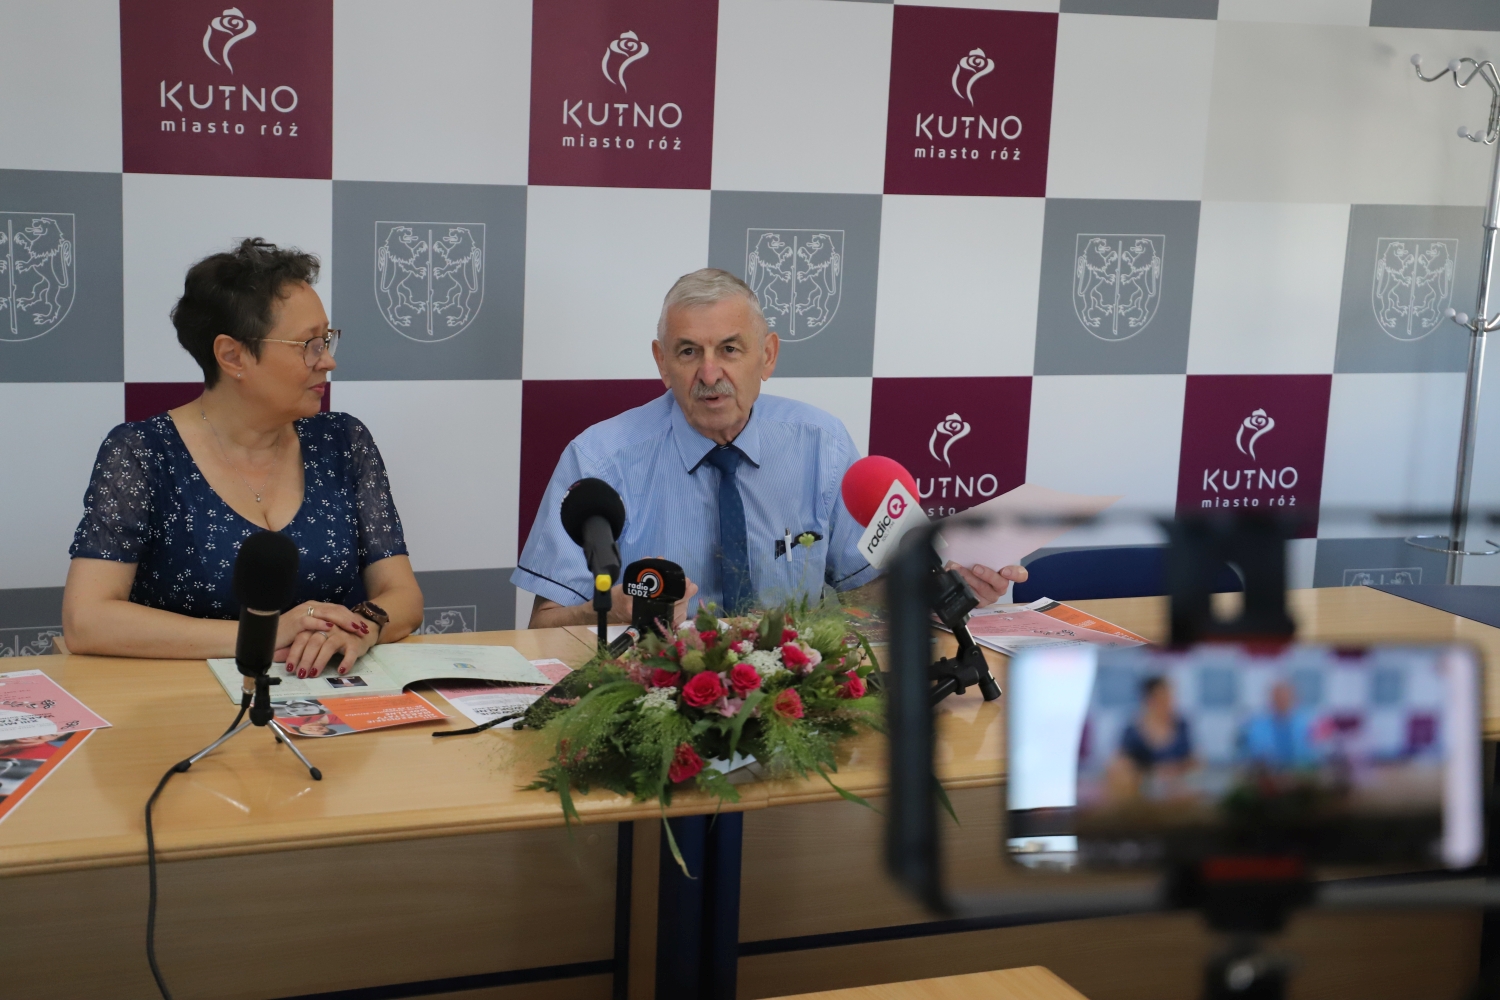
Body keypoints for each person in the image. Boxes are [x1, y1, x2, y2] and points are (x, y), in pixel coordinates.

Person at [514, 268, 1026, 627]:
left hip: (798, 698)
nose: (709, 374)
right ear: (661, 362)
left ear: (768, 355)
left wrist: (945, 587)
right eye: (688, 352)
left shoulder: (822, 443)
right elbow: (544, 623)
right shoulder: (598, 460)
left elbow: (865, 591)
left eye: (729, 349)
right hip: (652, 702)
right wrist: (610, 612)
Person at [62, 238, 423, 677]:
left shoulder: (343, 441)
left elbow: (403, 595)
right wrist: (264, 633)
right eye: (309, 344)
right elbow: (87, 620)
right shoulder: (142, 452)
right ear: (232, 356)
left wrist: (362, 626)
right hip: (183, 697)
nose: (328, 361)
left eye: (327, 340)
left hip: (332, 694)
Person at [1107, 675, 1194, 800]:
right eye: (1162, 698)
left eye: (1169, 697)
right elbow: (1120, 761)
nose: (1168, 702)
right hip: (1141, 791)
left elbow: (1193, 759)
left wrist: (1176, 770)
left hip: (1176, 790)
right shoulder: (1133, 731)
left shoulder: (1181, 726)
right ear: (1149, 699)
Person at [1240, 679, 1322, 769]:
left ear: (1293, 699)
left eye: (1286, 697)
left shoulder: (1305, 724)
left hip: (1299, 772)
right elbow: (1255, 752)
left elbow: (1312, 752)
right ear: (1271, 699)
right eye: (1278, 697)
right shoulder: (1257, 726)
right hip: (1268, 773)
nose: (1282, 701)